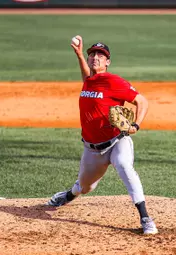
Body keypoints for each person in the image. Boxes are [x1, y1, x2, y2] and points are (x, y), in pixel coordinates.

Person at [46, 35, 158, 235]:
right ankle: (69, 195)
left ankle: (145, 218)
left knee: (124, 165)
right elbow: (87, 78)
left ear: (108, 62)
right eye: (92, 54)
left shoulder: (112, 81)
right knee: (85, 186)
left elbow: (142, 101)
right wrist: (79, 55)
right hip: (92, 149)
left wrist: (136, 125)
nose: (95, 57)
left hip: (117, 141)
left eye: (100, 55)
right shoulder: (90, 81)